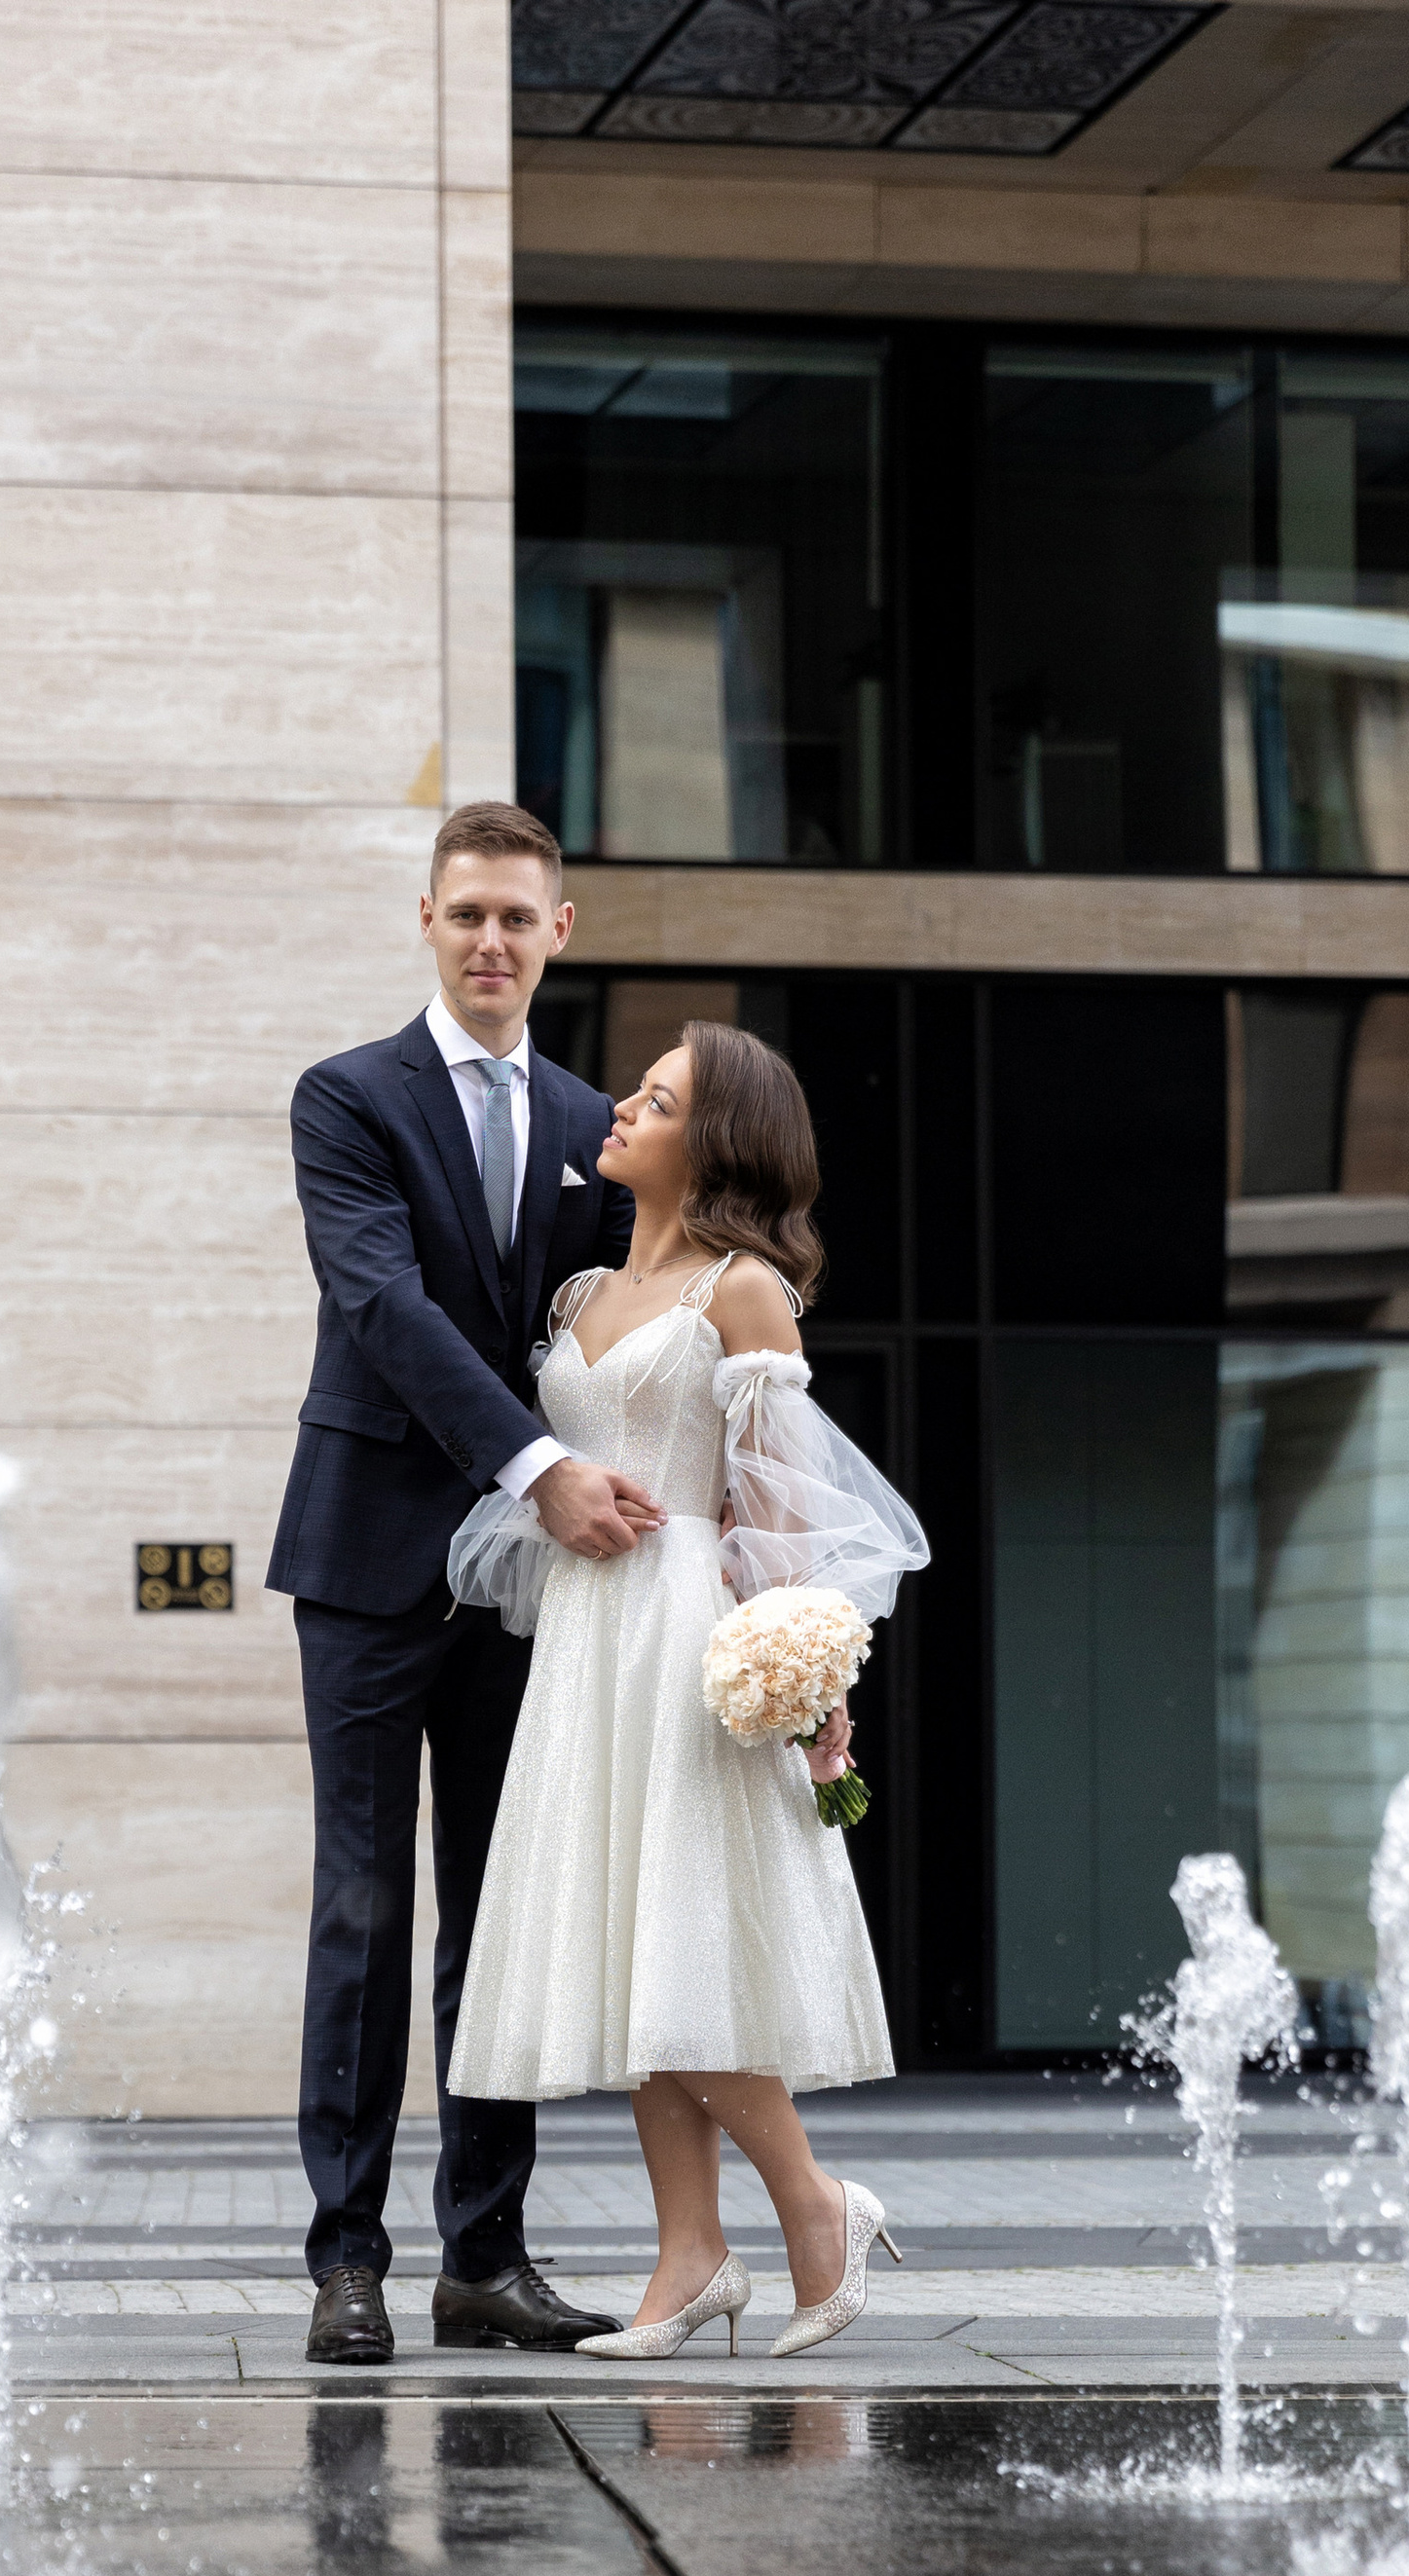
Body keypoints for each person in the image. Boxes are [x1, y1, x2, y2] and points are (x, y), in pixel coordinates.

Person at [447, 1022, 929, 2361]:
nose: (620, 1106)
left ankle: (813, 2206)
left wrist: (801, 1674)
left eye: (654, 1100)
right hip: (588, 1642)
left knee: (684, 1956)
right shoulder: (577, 1294)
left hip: (686, 1641)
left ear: (708, 1145)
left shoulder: (744, 1292)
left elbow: (778, 1510)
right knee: (635, 1953)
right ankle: (690, 2259)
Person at [271, 800, 658, 2367]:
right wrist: (538, 1470)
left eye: (518, 917)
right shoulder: (346, 1099)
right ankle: (347, 2260)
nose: (490, 941)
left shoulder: (599, 1124)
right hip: (370, 1559)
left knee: (502, 1920)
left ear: (559, 932)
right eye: (466, 915)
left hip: (532, 1591)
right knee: (364, 1913)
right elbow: (383, 1304)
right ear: (422, 921)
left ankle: (482, 2258)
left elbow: (613, 1330)